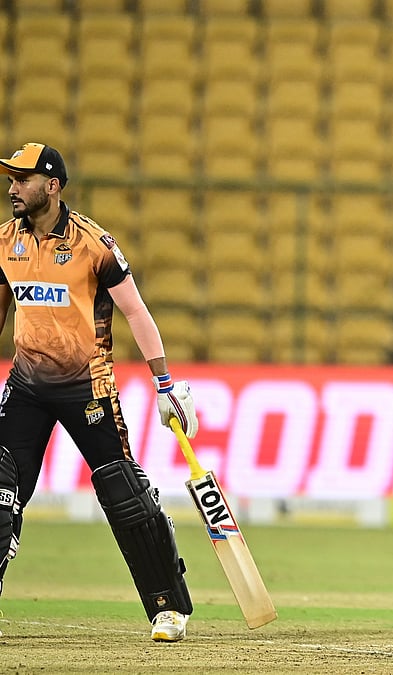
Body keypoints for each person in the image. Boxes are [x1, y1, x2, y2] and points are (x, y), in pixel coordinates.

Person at [0, 142, 199, 642]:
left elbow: (135, 312)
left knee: (123, 492)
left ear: (52, 185)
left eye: (21, 179)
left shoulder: (94, 244)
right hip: (25, 386)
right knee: (1, 486)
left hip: (87, 386)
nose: (12, 188)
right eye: (10, 179)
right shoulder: (5, 240)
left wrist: (164, 384)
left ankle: (167, 608)